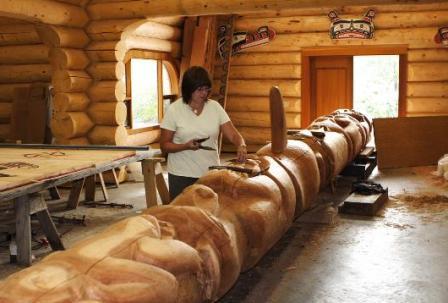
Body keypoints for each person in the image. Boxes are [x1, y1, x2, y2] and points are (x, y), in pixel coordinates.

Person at [160, 66, 247, 200]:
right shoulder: (174, 110)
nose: (203, 94)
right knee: (183, 215)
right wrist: (185, 146)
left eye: (206, 89)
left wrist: (241, 145)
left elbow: (233, 134)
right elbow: (165, 145)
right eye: (199, 89)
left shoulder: (215, 107)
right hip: (181, 175)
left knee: (209, 215)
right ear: (189, 89)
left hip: (210, 174)